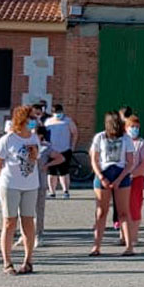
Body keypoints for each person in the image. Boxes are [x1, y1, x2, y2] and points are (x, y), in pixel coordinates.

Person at [0, 104, 46, 272]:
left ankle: (28, 260)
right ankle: (7, 261)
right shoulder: (8, 139)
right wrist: (2, 179)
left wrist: (34, 154)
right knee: (9, 222)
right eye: (31, 118)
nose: (34, 121)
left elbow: (36, 160)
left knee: (28, 221)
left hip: (30, 185)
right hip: (10, 184)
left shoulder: (34, 138)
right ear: (22, 119)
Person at [88, 112, 129, 255]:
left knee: (123, 212)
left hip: (120, 173)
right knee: (101, 212)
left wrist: (119, 179)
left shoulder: (126, 138)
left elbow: (130, 161)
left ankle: (129, 246)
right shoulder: (99, 137)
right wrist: (100, 176)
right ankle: (96, 246)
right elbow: (94, 159)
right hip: (103, 173)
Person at [45, 103, 78, 198]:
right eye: (56, 112)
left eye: (59, 112)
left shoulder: (68, 121)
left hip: (64, 150)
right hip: (51, 150)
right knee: (52, 172)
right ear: (52, 113)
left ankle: (66, 191)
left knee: (64, 172)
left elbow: (75, 133)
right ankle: (52, 192)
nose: (58, 114)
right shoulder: (48, 122)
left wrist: (72, 147)